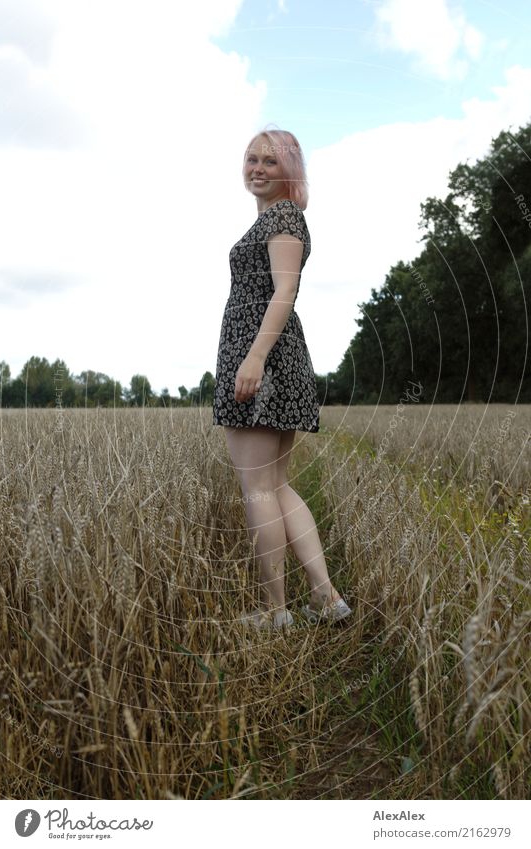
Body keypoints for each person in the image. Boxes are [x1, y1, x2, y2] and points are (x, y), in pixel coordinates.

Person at [212, 126, 351, 630]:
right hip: (266, 357)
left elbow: (284, 294)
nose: (258, 168)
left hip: (264, 359)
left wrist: (253, 360)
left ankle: (275, 611)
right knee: (275, 485)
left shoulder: (286, 217)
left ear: (289, 169)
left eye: (270, 161)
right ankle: (326, 598)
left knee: (258, 490)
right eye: (251, 159)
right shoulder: (271, 218)